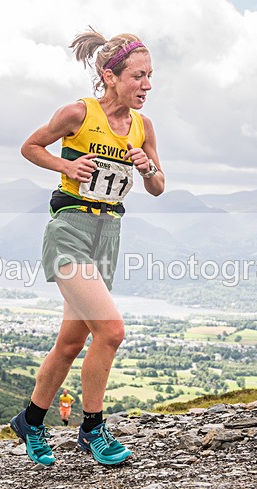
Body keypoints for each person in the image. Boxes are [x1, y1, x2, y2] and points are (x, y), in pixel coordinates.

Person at [10, 28, 164, 466]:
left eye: (150, 76)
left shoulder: (143, 126)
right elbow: (31, 146)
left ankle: (31, 420)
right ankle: (92, 428)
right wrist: (66, 164)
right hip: (70, 230)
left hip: (108, 235)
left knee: (71, 343)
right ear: (110, 75)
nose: (147, 86)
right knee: (111, 331)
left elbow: (157, 187)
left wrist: (148, 165)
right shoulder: (78, 113)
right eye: (138, 76)